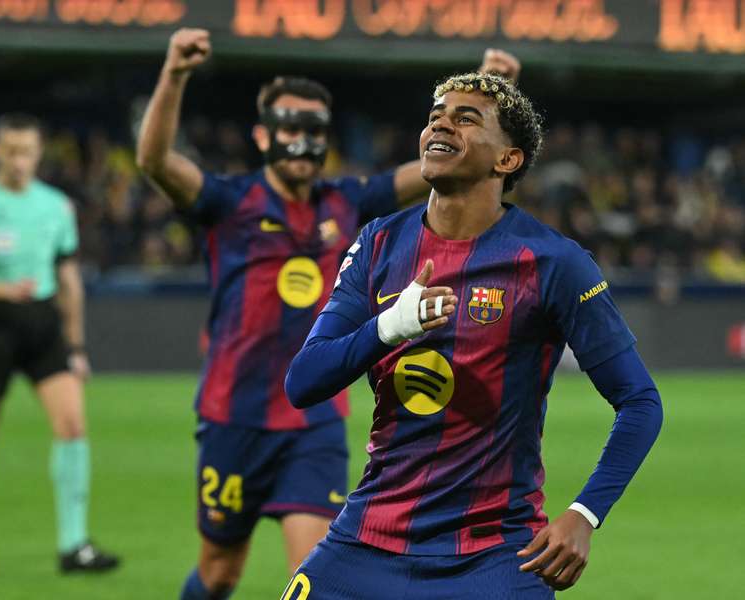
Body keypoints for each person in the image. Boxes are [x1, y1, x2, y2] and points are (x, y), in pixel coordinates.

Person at [136, 28, 520, 600]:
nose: (301, 140)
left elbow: (443, 164)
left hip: (312, 420)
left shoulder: (349, 202)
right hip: (232, 416)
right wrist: (174, 73)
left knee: (312, 580)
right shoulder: (229, 201)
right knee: (219, 574)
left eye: (313, 129)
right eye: (289, 126)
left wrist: (488, 102)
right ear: (263, 134)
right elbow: (154, 160)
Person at [282, 73, 663, 598]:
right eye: (437, 113)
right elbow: (303, 381)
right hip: (366, 542)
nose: (441, 121)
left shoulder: (553, 262)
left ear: (507, 160)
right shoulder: (378, 243)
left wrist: (584, 514)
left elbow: (640, 401)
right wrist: (388, 328)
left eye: (466, 118)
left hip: (495, 557)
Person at [0, 113, 120, 574]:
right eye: (11, 151)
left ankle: (74, 545)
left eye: (27, 151)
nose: (19, 160)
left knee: (73, 426)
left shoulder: (56, 207)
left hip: (44, 325)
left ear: (39, 153)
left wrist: (77, 345)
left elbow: (68, 279)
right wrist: (6, 291)